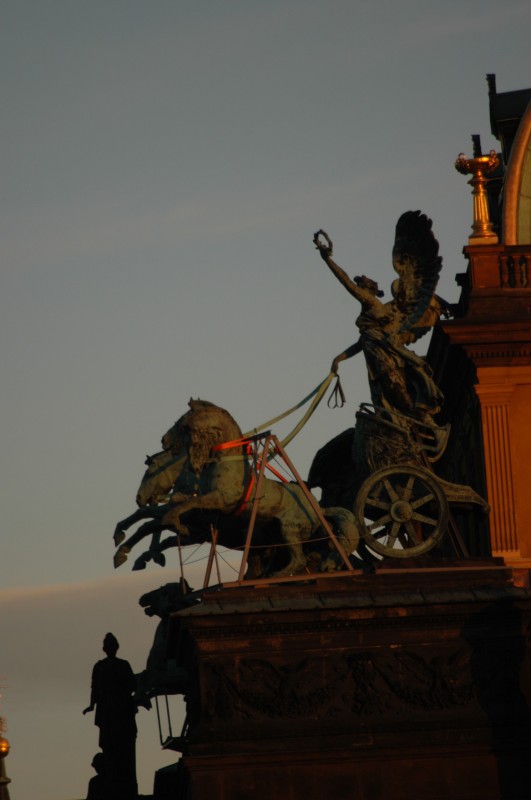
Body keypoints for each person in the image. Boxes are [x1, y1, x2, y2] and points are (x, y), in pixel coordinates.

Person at [313, 216, 444, 427]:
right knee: (393, 403)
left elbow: (345, 282)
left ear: (368, 289)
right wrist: (339, 358)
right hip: (377, 365)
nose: (360, 281)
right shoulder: (373, 322)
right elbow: (362, 343)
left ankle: (430, 427)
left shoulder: (373, 305)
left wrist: (327, 259)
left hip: (385, 363)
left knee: (402, 401)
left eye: (362, 281)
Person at [83, 633, 138, 800]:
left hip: (112, 712)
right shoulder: (122, 665)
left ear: (105, 649)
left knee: (112, 744)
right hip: (118, 712)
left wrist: (93, 705)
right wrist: (92, 705)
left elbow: (95, 688)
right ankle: (119, 775)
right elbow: (132, 685)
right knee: (118, 745)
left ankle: (118, 775)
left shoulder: (100, 666)